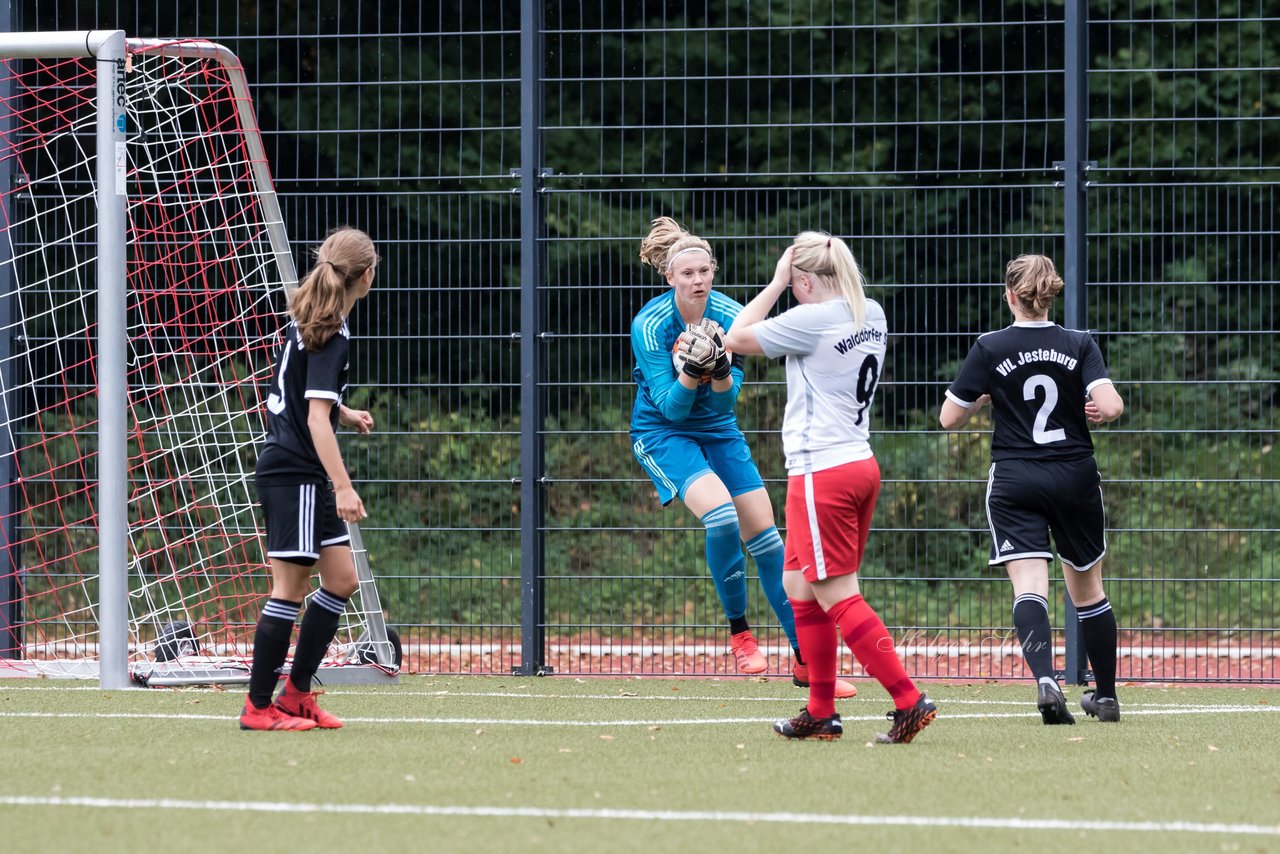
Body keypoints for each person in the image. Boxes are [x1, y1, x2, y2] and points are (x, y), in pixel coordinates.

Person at [630, 217, 855, 698]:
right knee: (722, 518)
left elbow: (727, 401)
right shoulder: (649, 325)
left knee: (772, 543)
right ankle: (740, 633)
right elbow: (671, 406)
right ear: (670, 278)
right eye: (686, 274)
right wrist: (693, 371)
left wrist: (720, 369)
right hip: (664, 433)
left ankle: (806, 661)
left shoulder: (732, 314)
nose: (697, 281)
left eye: (704, 271)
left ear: (714, 271)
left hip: (718, 428)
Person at [725, 232, 936, 743]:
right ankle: (820, 711)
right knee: (801, 590)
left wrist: (776, 283)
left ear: (804, 280)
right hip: (857, 464)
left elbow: (734, 337)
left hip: (823, 472)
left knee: (837, 594)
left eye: (796, 283)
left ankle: (909, 699)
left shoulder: (810, 318)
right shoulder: (871, 312)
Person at [939, 254, 1124, 724]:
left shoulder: (989, 347)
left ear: (1010, 296)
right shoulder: (1079, 342)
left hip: (1016, 476)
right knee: (1089, 591)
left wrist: (982, 398)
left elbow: (948, 417)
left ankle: (1045, 679)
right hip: (1074, 476)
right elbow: (1110, 405)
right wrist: (1100, 411)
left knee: (1029, 587)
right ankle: (1105, 697)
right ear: (1050, 295)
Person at [239, 226, 379, 731]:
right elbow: (312, 419)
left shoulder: (314, 316)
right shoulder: (332, 330)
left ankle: (296, 694)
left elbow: (308, 397)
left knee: (341, 578)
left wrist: (343, 411)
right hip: (294, 471)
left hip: (301, 470)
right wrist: (343, 485)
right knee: (289, 588)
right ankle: (258, 707)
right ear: (366, 275)